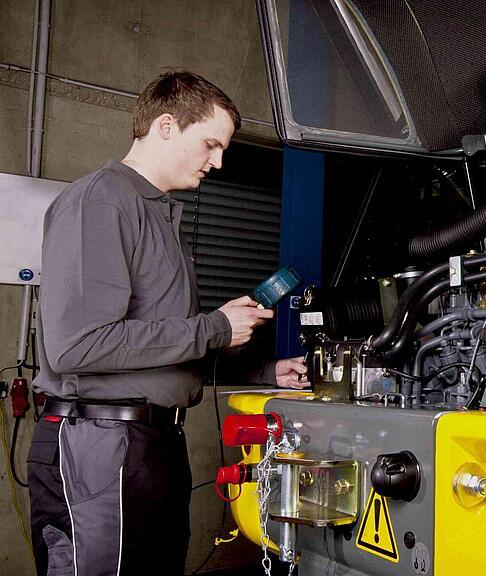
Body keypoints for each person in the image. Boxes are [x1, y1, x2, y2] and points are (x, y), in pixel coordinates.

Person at [27, 70, 308, 576]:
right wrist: (214, 327)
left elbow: (156, 345)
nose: (218, 161)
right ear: (164, 126)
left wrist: (264, 372)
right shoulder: (101, 201)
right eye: (210, 143)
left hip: (152, 446)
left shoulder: (160, 217)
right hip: (101, 446)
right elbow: (78, 346)